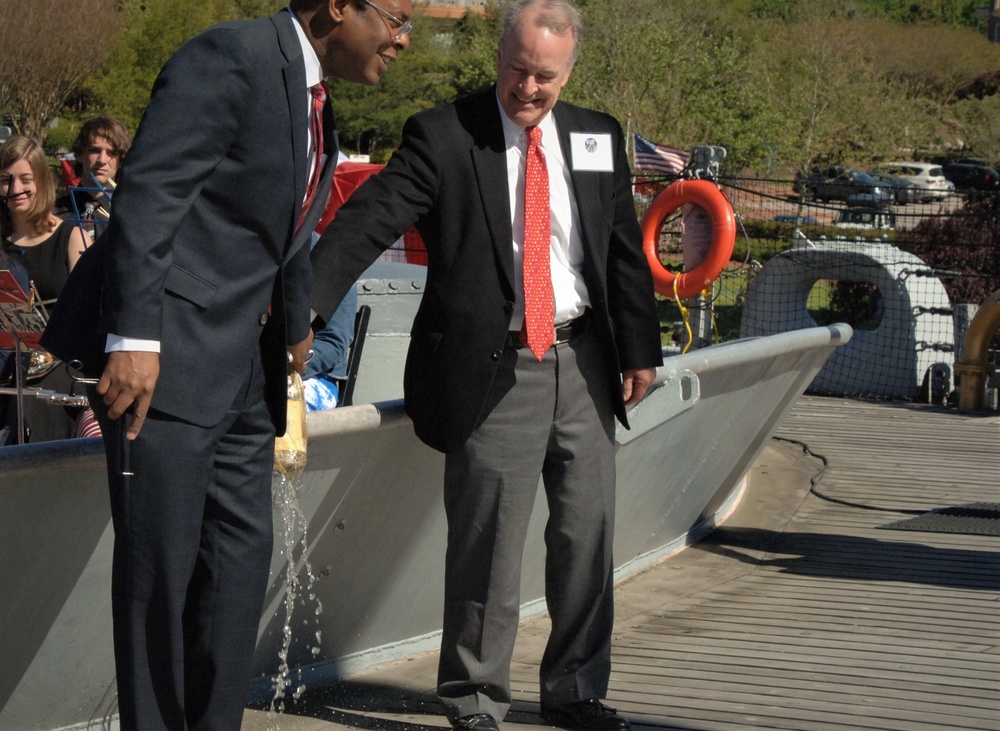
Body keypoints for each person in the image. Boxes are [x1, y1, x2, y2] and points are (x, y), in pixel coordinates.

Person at [40, 1, 413, 728]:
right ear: (340, 6)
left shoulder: (313, 98)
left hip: (250, 366)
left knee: (238, 571)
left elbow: (286, 227)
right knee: (159, 577)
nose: (402, 40)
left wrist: (299, 321)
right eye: (397, 18)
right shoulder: (228, 58)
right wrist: (134, 339)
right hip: (167, 362)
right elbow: (150, 195)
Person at [308, 2, 662, 730]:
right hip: (494, 366)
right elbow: (370, 217)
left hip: (585, 357)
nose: (529, 89)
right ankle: (474, 699)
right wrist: (303, 308)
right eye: (517, 70)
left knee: (586, 533)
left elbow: (621, 248)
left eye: (546, 78)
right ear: (499, 54)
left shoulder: (597, 136)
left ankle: (576, 688)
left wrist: (641, 347)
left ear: (569, 72)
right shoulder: (443, 135)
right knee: (489, 543)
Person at [1, 135, 92, 443]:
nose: (15, 190)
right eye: (5, 180)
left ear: (41, 179)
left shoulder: (71, 236)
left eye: (25, 179)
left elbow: (93, 312)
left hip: (60, 376)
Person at [56, 117, 132, 239]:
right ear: (80, 154)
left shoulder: (131, 215)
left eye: (112, 153)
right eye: (94, 150)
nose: (102, 160)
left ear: (121, 160)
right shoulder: (55, 212)